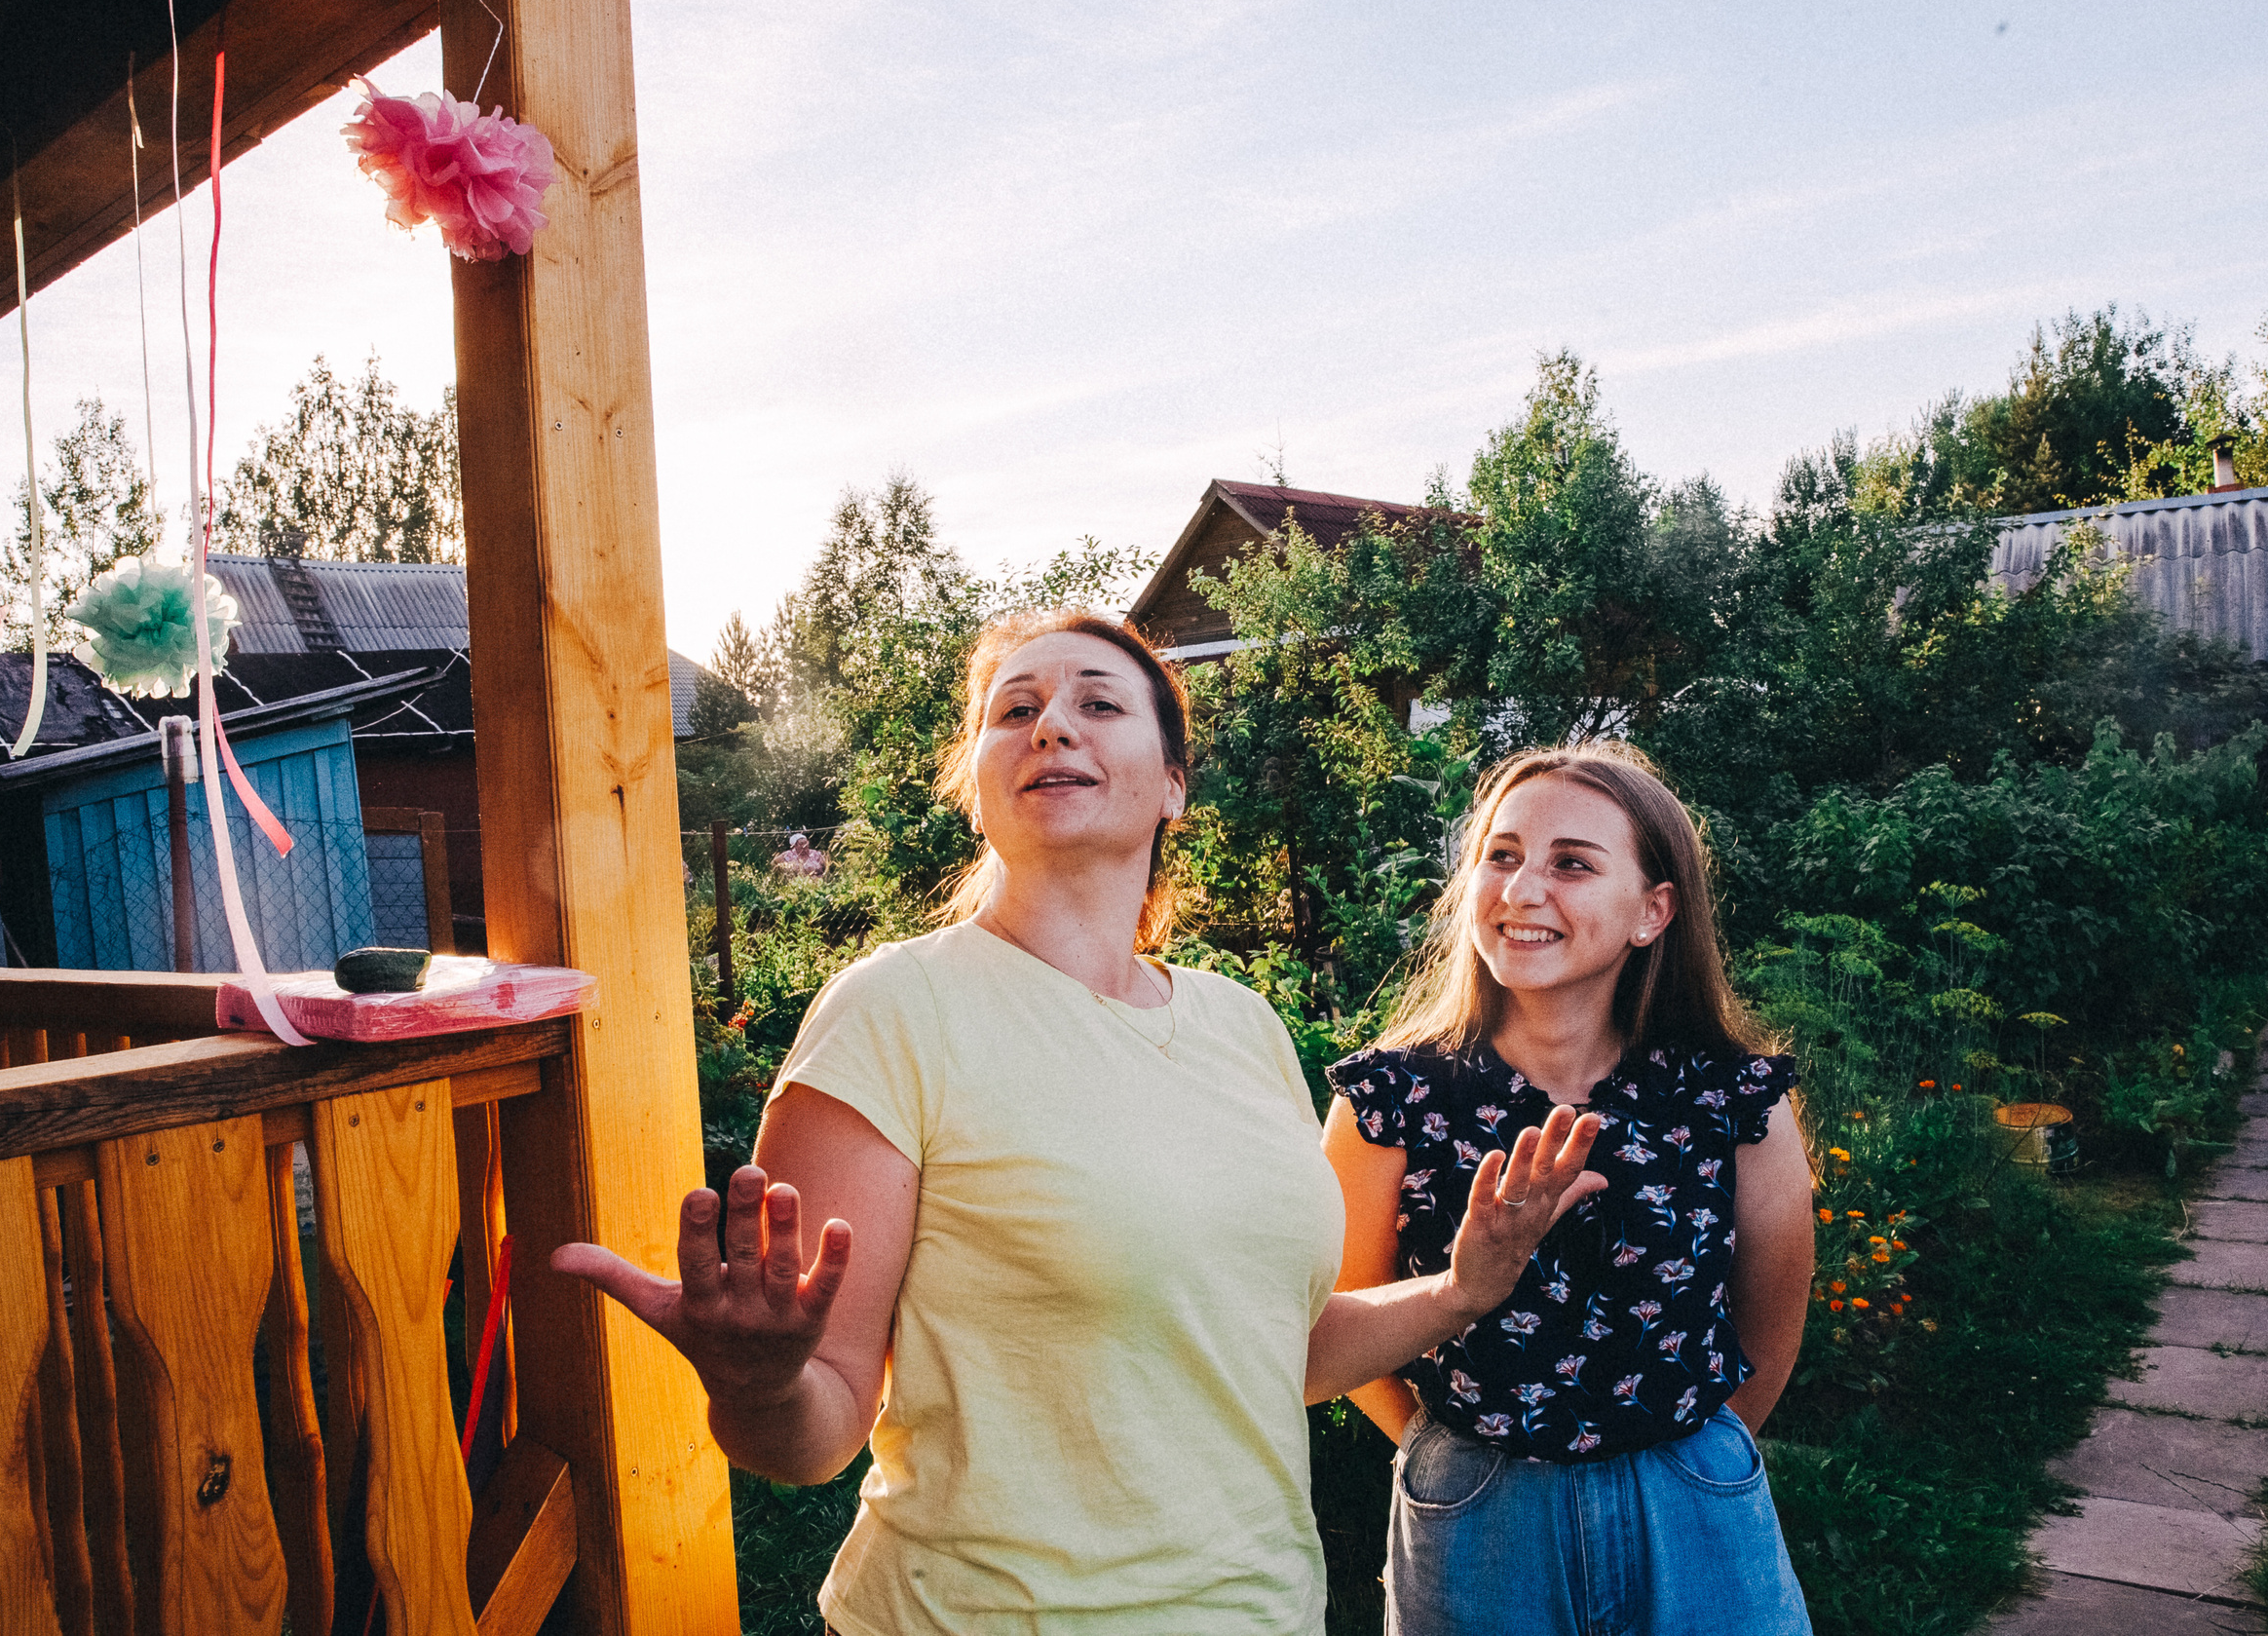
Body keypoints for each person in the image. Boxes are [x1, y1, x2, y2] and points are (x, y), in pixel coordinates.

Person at [554, 610, 1606, 1635]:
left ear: (1173, 785)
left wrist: (1461, 1291)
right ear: (975, 792)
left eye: (1096, 703)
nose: (1051, 725)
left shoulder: (1240, 1027)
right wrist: (756, 1382)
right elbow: (813, 1432)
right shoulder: (895, 1012)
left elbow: (1264, 1350)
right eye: (1014, 711)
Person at [1323, 742, 1816, 1636]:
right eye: (1500, 856)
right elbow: (1338, 1316)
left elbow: (1771, 1327)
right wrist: (1448, 1458)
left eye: (1572, 864)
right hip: (1480, 1518)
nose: (1521, 890)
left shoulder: (1729, 1096)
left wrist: (1685, 1461)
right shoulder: (1391, 1100)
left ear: (1652, 910)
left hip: (1692, 1501)